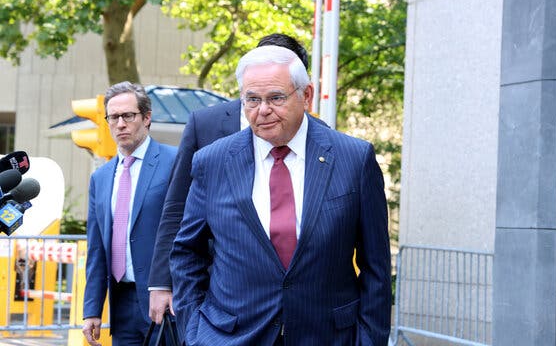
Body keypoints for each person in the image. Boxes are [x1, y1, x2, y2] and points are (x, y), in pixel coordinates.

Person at [170, 45, 391, 345]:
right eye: (252, 99)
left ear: (307, 96)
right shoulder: (213, 162)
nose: (262, 110)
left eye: (275, 97)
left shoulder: (354, 158)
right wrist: (194, 331)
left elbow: (376, 267)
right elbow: (186, 252)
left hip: (327, 336)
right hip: (230, 336)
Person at [147, 34, 314, 329]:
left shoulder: (325, 142)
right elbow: (176, 207)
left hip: (304, 305)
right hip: (217, 288)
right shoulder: (205, 123)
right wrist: (162, 283)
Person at [82, 81, 177, 346]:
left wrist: (169, 285)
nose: (120, 124)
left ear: (147, 118)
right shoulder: (100, 178)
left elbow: (187, 233)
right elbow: (96, 249)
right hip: (121, 303)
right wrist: (92, 310)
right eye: (114, 117)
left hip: (166, 300)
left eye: (128, 116)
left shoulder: (175, 162)